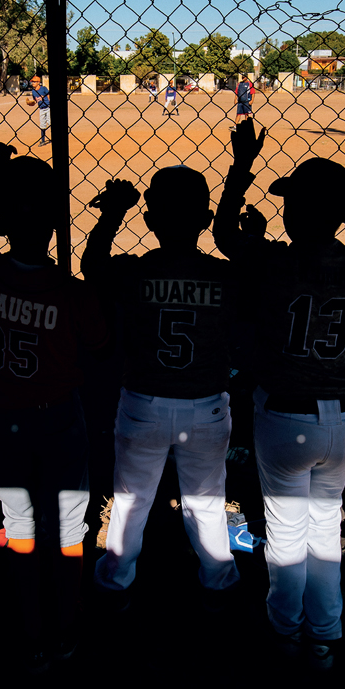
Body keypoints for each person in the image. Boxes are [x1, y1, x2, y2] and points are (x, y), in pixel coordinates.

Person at [213, 115, 345, 670]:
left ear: (292, 212)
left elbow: (223, 234)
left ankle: (285, 628)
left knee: (288, 530)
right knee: (324, 524)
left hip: (284, 419)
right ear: (343, 214)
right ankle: (327, 632)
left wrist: (243, 163)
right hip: (343, 423)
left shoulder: (272, 261)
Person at [0, 144, 108, 672]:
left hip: (3, 418)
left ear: (2, 222)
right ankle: (66, 630)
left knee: (18, 524)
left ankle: (30, 631)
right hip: (58, 419)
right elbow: (99, 345)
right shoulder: (71, 293)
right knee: (70, 528)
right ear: (54, 222)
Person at [84, 167, 240, 610]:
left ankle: (115, 580)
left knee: (131, 499)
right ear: (206, 221)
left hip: (143, 405)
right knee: (206, 501)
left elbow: (91, 266)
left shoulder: (135, 272)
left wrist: (112, 215)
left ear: (149, 221)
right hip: (207, 405)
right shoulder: (226, 276)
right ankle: (218, 579)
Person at [29, 76, 51, 146]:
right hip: (41, 109)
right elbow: (35, 100)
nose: (33, 83)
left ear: (38, 82)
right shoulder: (33, 91)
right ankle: (43, 140)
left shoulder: (43, 88)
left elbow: (48, 95)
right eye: (32, 82)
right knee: (42, 125)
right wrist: (31, 102)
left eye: (34, 82)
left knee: (50, 122)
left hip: (48, 108)